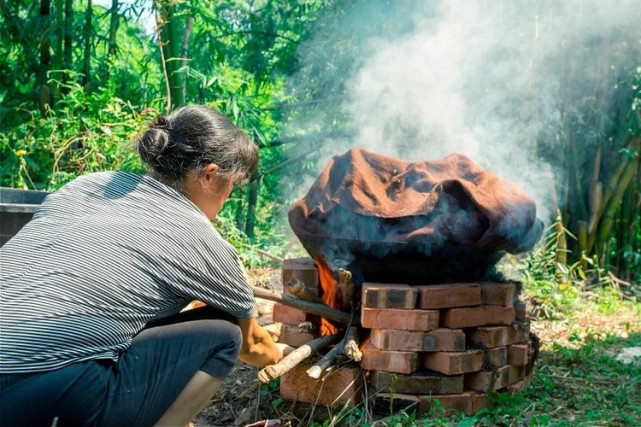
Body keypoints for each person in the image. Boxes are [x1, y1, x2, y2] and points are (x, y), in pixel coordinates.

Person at [0, 105, 286, 426]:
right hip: (42, 395)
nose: (227, 197)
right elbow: (253, 345)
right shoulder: (198, 237)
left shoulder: (88, 185)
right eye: (231, 185)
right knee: (225, 333)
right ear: (209, 175)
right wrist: (282, 356)